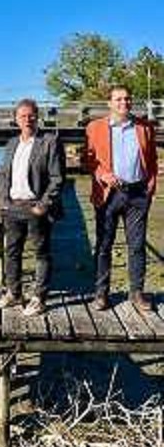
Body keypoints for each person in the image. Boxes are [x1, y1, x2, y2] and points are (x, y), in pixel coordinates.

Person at [86, 85, 158, 312]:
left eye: (127, 99)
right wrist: (102, 174)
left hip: (138, 194)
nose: (123, 103)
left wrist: (150, 187)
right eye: (118, 99)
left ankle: (136, 293)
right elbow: (88, 159)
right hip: (108, 194)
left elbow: (152, 160)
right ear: (109, 103)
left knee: (137, 246)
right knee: (104, 245)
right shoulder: (94, 128)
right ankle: (101, 294)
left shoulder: (145, 127)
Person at [0, 98, 66, 316]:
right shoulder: (11, 144)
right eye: (23, 116)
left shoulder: (49, 142)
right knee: (12, 252)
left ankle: (39, 298)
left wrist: (43, 205)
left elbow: (57, 178)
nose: (27, 119)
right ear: (16, 119)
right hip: (12, 208)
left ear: (37, 117)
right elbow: (4, 175)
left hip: (36, 207)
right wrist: (3, 202)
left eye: (31, 115)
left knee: (41, 253)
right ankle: (14, 293)